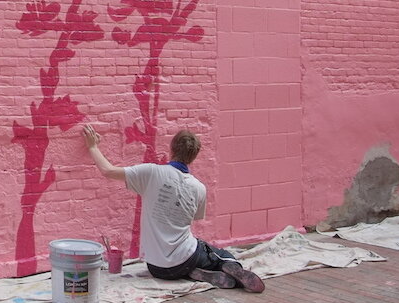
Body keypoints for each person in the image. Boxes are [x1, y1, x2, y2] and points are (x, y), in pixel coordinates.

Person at [81, 123, 263, 292]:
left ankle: (192, 272)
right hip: (186, 258)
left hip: (156, 267)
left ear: (172, 149)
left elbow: (108, 171)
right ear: (194, 156)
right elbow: (195, 219)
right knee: (221, 255)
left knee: (191, 255)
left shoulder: (151, 173)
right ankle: (222, 268)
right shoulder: (199, 188)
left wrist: (92, 146)